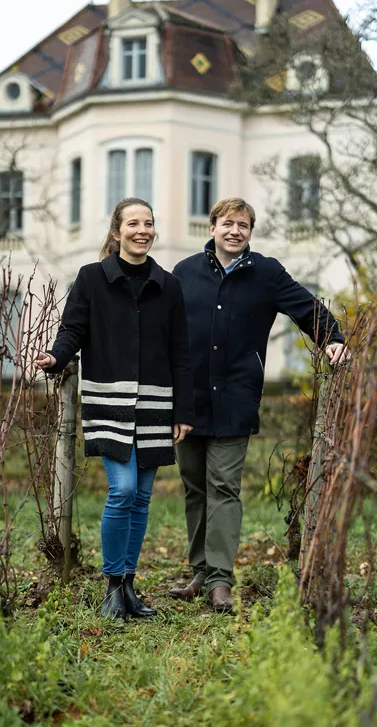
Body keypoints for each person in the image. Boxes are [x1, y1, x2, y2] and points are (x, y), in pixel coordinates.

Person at [169, 197, 349, 613]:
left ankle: (220, 580)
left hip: (236, 397)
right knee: (194, 487)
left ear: (250, 232)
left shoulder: (266, 273)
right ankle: (200, 571)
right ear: (212, 228)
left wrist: (333, 338)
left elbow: (307, 308)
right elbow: (166, 331)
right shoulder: (184, 273)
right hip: (189, 401)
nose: (235, 231)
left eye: (243, 225)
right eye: (228, 223)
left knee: (223, 487)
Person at [35, 198, 195, 621]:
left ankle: (128, 587)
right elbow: (73, 329)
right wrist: (56, 357)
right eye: (133, 223)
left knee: (141, 497)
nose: (142, 231)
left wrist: (184, 410)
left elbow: (181, 352)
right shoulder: (92, 278)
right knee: (122, 490)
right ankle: (111, 585)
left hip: (157, 402)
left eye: (148, 223)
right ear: (116, 231)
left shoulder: (169, 285)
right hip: (108, 400)